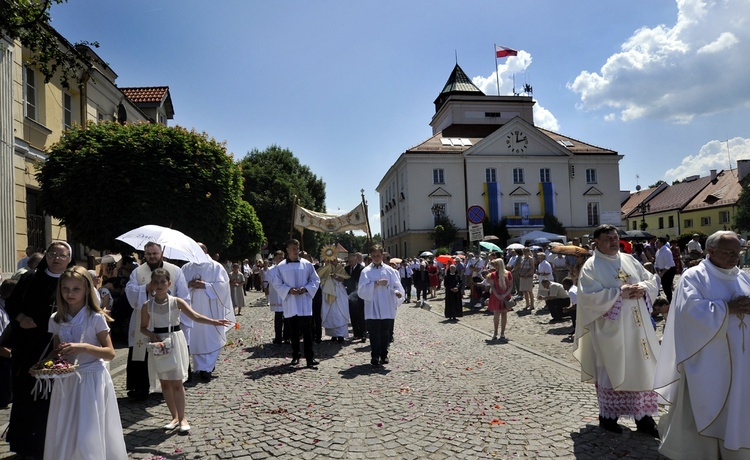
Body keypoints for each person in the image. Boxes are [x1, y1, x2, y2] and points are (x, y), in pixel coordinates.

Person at [654, 231, 750, 459]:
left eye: (738, 253)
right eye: (729, 253)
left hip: (743, 361)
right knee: (706, 408)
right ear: (711, 251)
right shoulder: (694, 277)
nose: (734, 257)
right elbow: (690, 313)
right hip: (709, 362)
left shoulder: (743, 277)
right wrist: (729, 308)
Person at [573, 224, 660, 437]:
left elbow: (652, 280)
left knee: (641, 368)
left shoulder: (629, 260)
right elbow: (588, 298)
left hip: (638, 328)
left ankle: (643, 418)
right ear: (597, 242)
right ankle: (608, 417)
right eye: (608, 238)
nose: (613, 241)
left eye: (615, 237)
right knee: (612, 369)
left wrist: (645, 289)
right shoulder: (592, 266)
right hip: (610, 331)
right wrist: (619, 293)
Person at [44, 267, 127, 460]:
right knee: (66, 426)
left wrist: (84, 347)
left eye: (76, 289)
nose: (70, 294)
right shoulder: (56, 319)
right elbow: (58, 352)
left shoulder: (95, 317)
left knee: (88, 430)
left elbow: (110, 353)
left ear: (86, 290)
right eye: (65, 289)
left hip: (91, 379)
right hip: (67, 380)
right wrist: (47, 362)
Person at [3, 241, 74, 458]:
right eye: (52, 254)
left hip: (58, 346)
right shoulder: (30, 278)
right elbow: (11, 304)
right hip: (28, 346)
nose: (56, 258)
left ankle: (54, 442)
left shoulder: (71, 281)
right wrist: (21, 317)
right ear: (46, 256)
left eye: (62, 255)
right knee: (27, 394)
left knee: (55, 397)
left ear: (69, 259)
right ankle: (25, 443)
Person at [141, 268, 231, 433]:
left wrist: (214, 322)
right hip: (159, 344)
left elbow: (195, 316)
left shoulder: (177, 302)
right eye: (156, 282)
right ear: (151, 285)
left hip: (175, 340)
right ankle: (173, 417)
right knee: (165, 383)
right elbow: (143, 328)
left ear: (169, 283)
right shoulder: (147, 306)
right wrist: (152, 335)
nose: (159, 285)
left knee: (176, 382)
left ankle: (182, 418)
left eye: (163, 282)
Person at [125, 241, 190, 400]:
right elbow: (129, 291)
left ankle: (168, 386)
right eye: (149, 254)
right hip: (145, 318)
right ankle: (141, 388)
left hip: (166, 319)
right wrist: (145, 288)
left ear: (161, 253)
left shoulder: (175, 271)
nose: (152, 257)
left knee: (168, 352)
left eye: (155, 253)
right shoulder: (138, 272)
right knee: (141, 354)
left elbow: (184, 295)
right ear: (144, 255)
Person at [181, 243, 234, 382]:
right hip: (191, 309)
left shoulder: (216, 267)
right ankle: (199, 367)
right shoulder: (187, 267)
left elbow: (223, 286)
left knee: (210, 338)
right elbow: (179, 285)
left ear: (205, 251)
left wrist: (206, 285)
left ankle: (207, 369)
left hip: (211, 311)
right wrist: (189, 284)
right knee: (195, 338)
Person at [269, 239, 321, 368]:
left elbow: (315, 280)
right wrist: (288, 290)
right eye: (293, 248)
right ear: (287, 250)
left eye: (297, 248)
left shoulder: (307, 264)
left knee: (308, 332)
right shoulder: (281, 266)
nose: (295, 251)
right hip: (291, 302)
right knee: (294, 332)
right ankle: (295, 355)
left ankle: (310, 357)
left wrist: (306, 288)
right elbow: (277, 283)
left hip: (304, 302)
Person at [358, 245, 404, 367]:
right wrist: (376, 284)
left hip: (386, 305)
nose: (376, 258)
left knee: (384, 332)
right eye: (373, 256)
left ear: (382, 255)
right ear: (370, 256)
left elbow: (396, 286)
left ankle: (384, 354)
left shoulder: (390, 271)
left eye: (378, 255)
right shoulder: (366, 271)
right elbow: (361, 290)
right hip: (372, 305)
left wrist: (398, 293)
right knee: (373, 332)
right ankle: (374, 355)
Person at [317, 257, 350, 342]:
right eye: (329, 261)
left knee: (340, 313)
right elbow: (319, 279)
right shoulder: (323, 269)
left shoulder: (340, 268)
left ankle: (341, 335)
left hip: (339, 293)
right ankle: (333, 335)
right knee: (330, 313)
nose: (332, 262)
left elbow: (344, 278)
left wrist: (335, 276)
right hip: (328, 292)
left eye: (333, 261)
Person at [487, 259, 513, 342]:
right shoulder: (493, 275)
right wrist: (497, 295)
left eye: (496, 265)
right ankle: (495, 332)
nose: (495, 267)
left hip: (505, 296)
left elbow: (510, 286)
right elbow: (492, 286)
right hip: (496, 296)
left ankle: (502, 332)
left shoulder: (508, 274)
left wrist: (505, 295)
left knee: (504, 314)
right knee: (496, 314)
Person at [267, 251, 288, 344]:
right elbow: (271, 281)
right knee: (278, 316)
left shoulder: (287, 268)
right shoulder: (271, 270)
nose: (281, 259)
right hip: (277, 295)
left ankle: (287, 336)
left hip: (287, 295)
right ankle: (278, 337)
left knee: (288, 317)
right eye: (279, 258)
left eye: (282, 257)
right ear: (275, 259)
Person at [344, 252, 366, 342]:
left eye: (352, 261)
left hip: (359, 294)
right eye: (349, 261)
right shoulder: (346, 268)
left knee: (361, 315)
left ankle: (363, 334)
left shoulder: (361, 269)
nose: (351, 263)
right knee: (353, 315)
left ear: (356, 260)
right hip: (349, 294)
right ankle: (356, 333)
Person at [654, 237, 676, 302]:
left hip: (669, 270)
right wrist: (657, 270)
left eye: (657, 242)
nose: (656, 243)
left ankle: (670, 300)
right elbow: (656, 262)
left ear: (662, 243)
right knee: (664, 286)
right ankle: (669, 299)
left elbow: (669, 263)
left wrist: (662, 273)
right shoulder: (658, 251)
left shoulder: (666, 251)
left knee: (667, 286)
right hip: (662, 270)